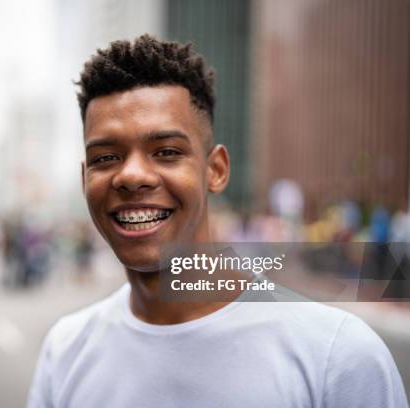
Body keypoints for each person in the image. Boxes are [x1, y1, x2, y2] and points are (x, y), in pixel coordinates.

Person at [27, 34, 408, 407]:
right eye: (106, 157)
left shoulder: (336, 356)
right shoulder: (64, 351)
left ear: (216, 170)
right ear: (84, 179)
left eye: (166, 151)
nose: (131, 176)